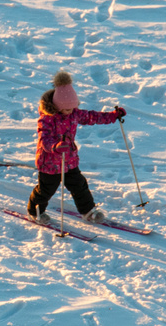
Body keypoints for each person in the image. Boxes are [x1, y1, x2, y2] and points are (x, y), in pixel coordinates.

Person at [27, 70, 125, 224]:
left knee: (79, 185)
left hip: (69, 160)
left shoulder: (74, 113)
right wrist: (56, 147)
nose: (70, 112)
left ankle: (88, 211)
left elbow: (93, 117)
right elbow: (44, 140)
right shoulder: (47, 119)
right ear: (57, 106)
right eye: (66, 109)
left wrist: (113, 116)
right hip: (49, 163)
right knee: (46, 190)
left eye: (72, 108)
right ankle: (35, 212)